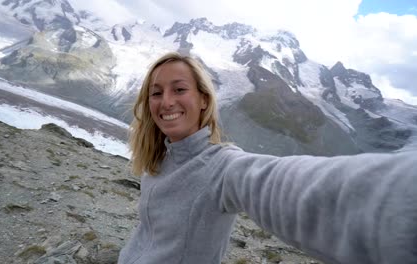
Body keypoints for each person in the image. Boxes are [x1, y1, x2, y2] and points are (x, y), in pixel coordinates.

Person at [118, 52, 417, 264]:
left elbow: (278, 184)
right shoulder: (157, 158)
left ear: (204, 100)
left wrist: (401, 200)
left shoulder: (222, 168)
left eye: (179, 89)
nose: (166, 101)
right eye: (156, 93)